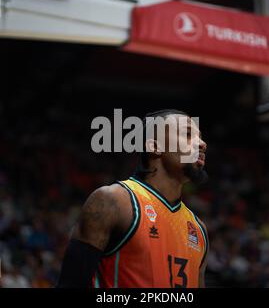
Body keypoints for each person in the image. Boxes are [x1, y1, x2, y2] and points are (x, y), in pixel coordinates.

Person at [57, 109, 209, 288]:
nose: (202, 144)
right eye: (188, 134)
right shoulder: (114, 201)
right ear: (154, 146)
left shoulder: (199, 230)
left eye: (200, 137)